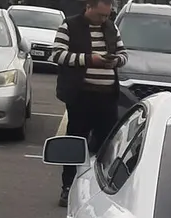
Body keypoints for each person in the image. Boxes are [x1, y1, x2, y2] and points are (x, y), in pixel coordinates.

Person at [50, 0, 128, 207]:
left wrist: (115, 61)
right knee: (75, 141)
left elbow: (124, 55)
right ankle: (67, 187)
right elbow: (57, 54)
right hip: (81, 96)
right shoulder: (69, 25)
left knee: (106, 145)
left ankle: (100, 189)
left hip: (107, 97)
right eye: (100, 15)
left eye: (107, 15)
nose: (104, 19)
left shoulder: (111, 28)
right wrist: (89, 60)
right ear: (88, 7)